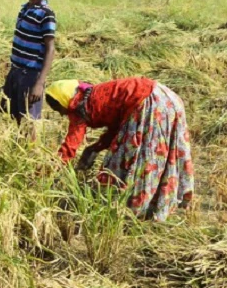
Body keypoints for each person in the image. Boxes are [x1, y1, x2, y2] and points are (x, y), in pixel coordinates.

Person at [45, 77, 195, 222]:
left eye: (60, 110)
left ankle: (137, 208)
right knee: (163, 153)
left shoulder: (77, 107)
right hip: (166, 97)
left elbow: (70, 147)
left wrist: (49, 172)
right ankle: (161, 201)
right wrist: (95, 148)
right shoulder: (93, 94)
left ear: (64, 101)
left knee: (137, 159)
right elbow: (116, 125)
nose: (62, 114)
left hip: (149, 104)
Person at [1, 0, 56, 139]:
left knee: (29, 118)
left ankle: (31, 153)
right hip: (16, 71)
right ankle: (15, 145)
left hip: (31, 74)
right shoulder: (25, 9)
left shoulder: (46, 15)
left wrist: (39, 83)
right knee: (11, 111)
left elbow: (50, 48)